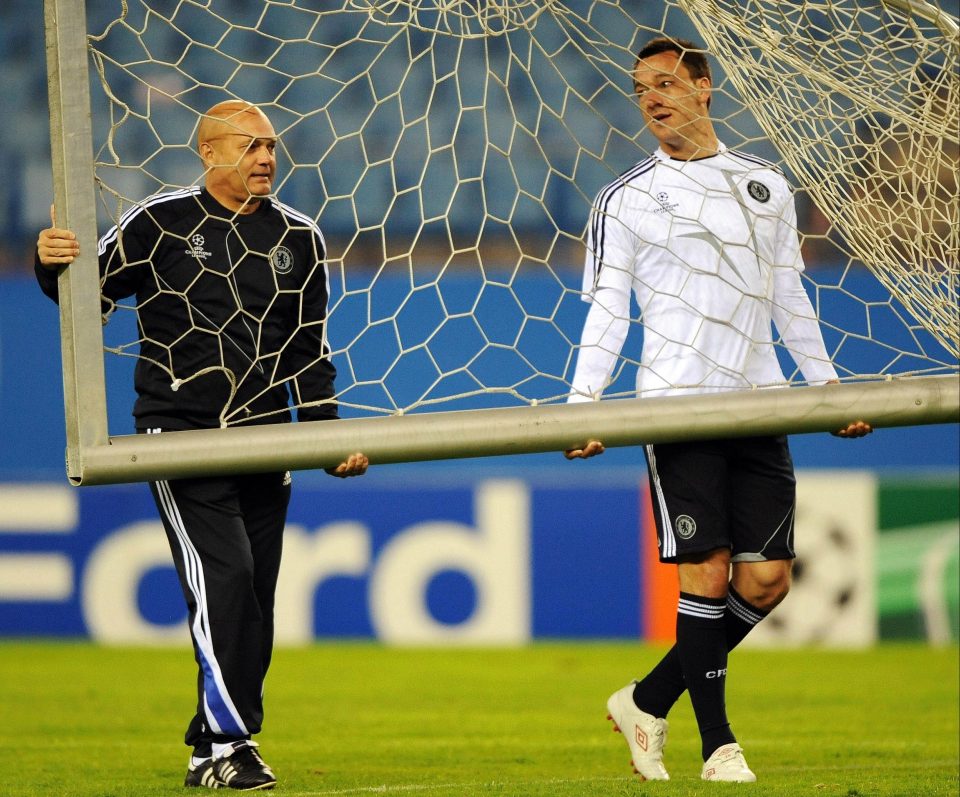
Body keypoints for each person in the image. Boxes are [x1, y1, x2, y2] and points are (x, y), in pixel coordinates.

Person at [564, 38, 872, 783]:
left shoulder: (765, 184)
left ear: (705, 88)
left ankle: (646, 698)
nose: (653, 98)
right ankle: (718, 747)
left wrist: (827, 385)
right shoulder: (625, 197)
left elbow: (787, 298)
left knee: (767, 579)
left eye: (667, 83)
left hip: (757, 401)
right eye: (642, 89)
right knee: (703, 569)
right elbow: (609, 308)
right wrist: (584, 404)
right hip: (676, 406)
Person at [36, 100, 369, 791]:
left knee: (255, 594)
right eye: (250, 146)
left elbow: (309, 354)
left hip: (263, 439)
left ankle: (213, 749)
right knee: (222, 580)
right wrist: (49, 265)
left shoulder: (299, 239)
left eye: (272, 146)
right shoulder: (160, 223)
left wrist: (328, 433)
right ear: (210, 152)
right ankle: (224, 743)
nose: (266, 159)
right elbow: (84, 295)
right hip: (178, 434)